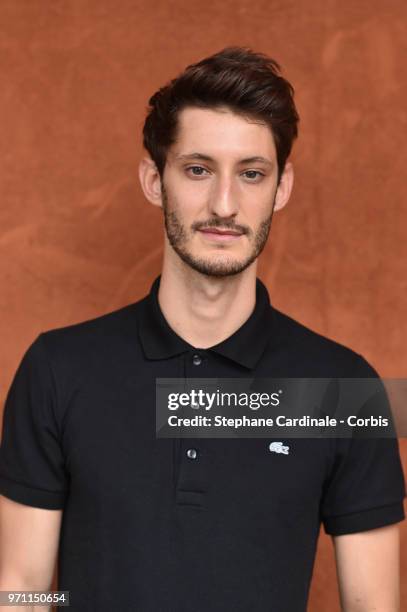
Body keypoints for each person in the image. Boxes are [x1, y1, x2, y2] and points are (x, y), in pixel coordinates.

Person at [0, 47, 405, 612]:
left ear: (281, 188)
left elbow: (374, 605)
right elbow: (21, 586)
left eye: (251, 174)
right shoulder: (56, 369)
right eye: (197, 169)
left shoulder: (342, 389)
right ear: (153, 178)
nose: (224, 203)